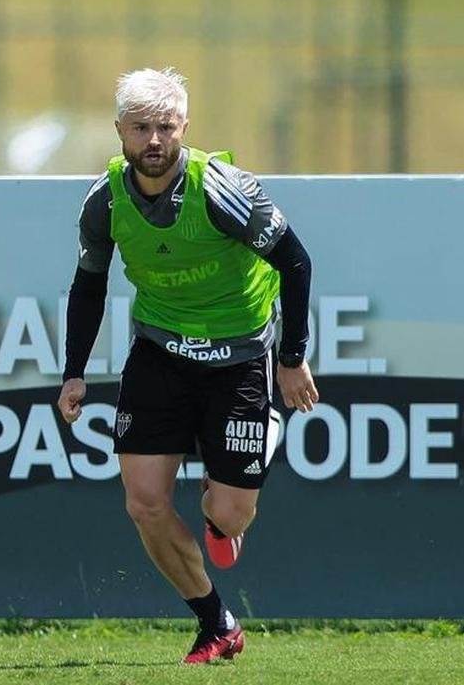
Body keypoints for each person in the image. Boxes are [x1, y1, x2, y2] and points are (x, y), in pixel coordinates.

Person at [57, 67, 318, 664]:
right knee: (144, 501)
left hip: (241, 358)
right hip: (160, 354)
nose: (154, 141)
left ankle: (247, 467)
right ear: (120, 131)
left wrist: (291, 359)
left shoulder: (220, 189)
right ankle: (216, 623)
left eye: (166, 127)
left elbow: (296, 262)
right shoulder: (105, 200)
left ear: (184, 128)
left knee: (227, 514)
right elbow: (88, 282)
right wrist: (74, 370)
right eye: (141, 128)